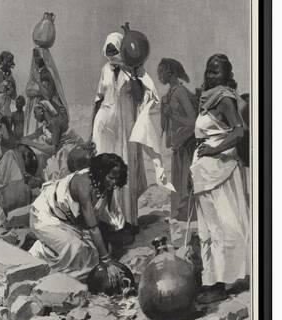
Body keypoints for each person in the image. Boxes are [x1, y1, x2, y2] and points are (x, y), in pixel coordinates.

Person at [190, 54, 249, 303]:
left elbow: (239, 131)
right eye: (209, 70)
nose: (210, 75)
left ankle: (218, 285)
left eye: (216, 72)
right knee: (210, 227)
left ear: (226, 75)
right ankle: (217, 279)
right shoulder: (208, 97)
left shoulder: (224, 98)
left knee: (220, 227)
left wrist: (213, 150)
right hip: (207, 171)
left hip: (219, 169)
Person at [29, 153, 127, 276]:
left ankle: (50, 244)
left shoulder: (103, 183)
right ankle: (39, 251)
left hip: (67, 219)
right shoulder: (83, 186)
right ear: (101, 173)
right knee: (77, 251)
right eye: (111, 178)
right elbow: (93, 228)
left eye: (116, 179)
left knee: (92, 255)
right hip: (45, 216)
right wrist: (107, 260)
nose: (114, 182)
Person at [91, 32, 147, 231]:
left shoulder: (134, 69)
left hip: (126, 128)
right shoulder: (105, 70)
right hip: (105, 128)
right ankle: (108, 220)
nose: (111, 53)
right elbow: (98, 100)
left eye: (115, 49)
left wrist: (131, 70)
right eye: (108, 50)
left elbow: (140, 96)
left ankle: (129, 220)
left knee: (125, 170)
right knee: (105, 170)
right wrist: (92, 131)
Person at [158, 58, 197, 221]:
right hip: (177, 147)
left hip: (187, 145)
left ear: (170, 72)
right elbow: (164, 126)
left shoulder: (180, 92)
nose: (158, 75)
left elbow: (193, 120)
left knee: (186, 186)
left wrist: (171, 114)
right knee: (179, 186)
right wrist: (163, 109)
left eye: (161, 71)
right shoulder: (168, 95)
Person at [21, 100, 84, 180]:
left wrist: (31, 143)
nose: (34, 116)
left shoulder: (55, 123)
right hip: (60, 150)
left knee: (53, 169)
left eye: (35, 113)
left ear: (41, 111)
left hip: (68, 149)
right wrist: (21, 140)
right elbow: (34, 135)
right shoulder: (45, 125)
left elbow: (53, 149)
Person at [24, 47, 68, 135]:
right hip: (32, 107)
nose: (36, 59)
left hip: (43, 109)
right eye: (35, 56)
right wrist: (36, 91)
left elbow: (47, 95)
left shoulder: (47, 73)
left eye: (38, 56)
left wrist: (38, 82)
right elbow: (27, 91)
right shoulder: (35, 72)